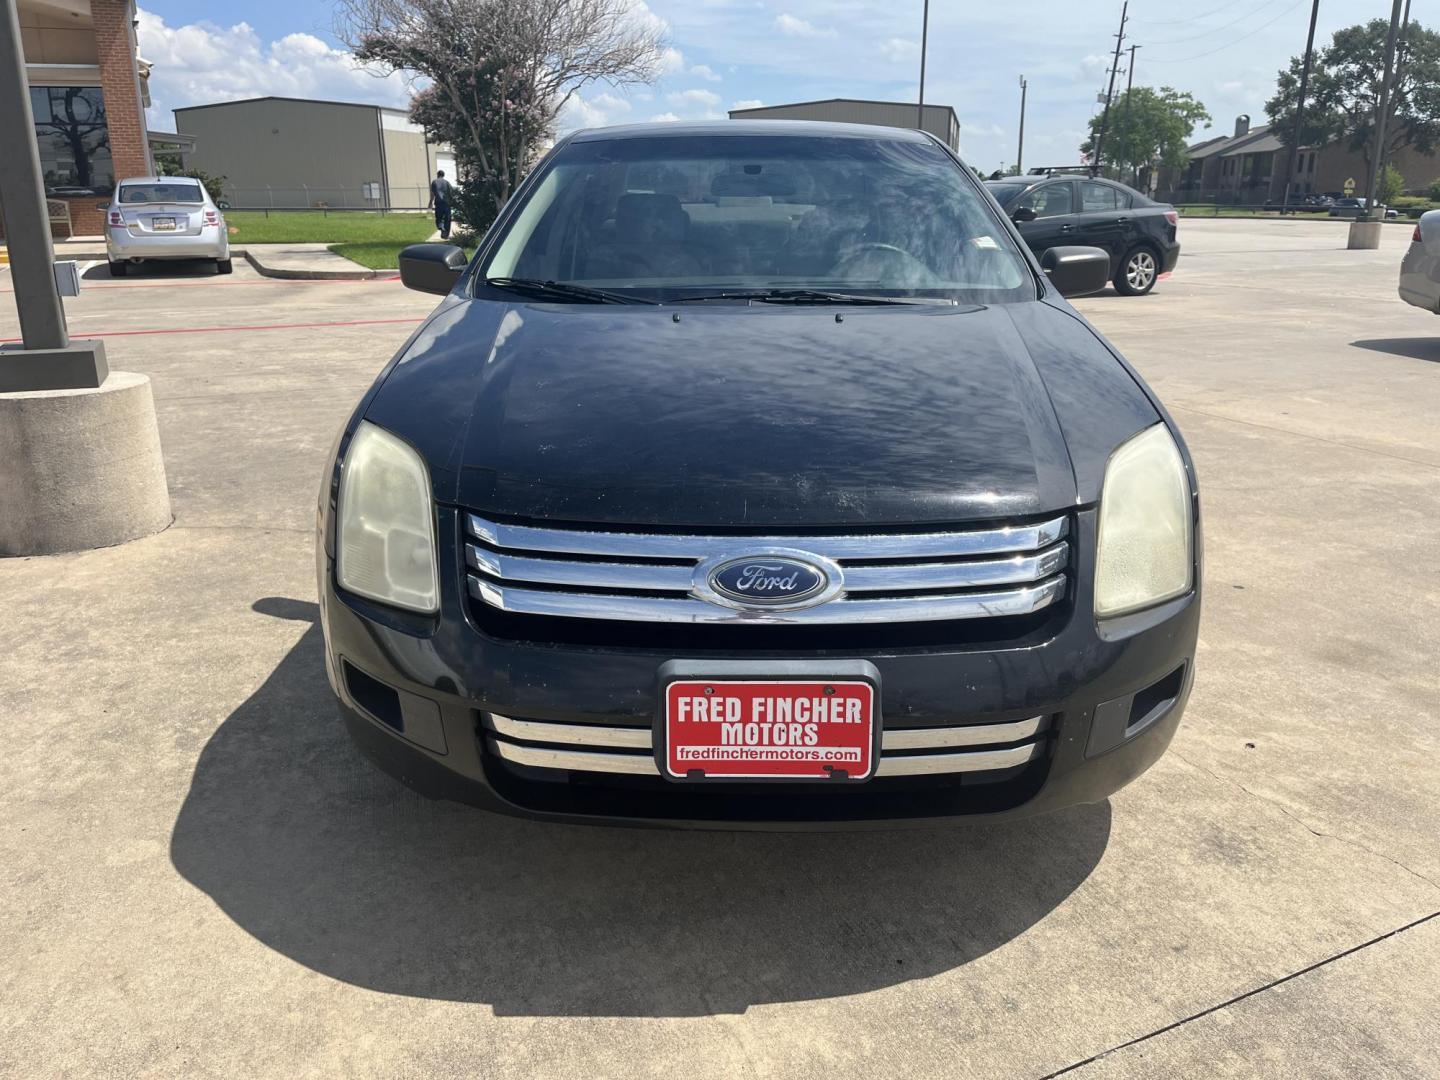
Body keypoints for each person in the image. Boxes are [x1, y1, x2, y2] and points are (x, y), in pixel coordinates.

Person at [428, 169, 453, 239]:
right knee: (447, 219)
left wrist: (430, 202)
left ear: (438, 175)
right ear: (443, 175)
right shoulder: (447, 182)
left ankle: (441, 227)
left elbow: (432, 194)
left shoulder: (434, 182)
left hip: (438, 203)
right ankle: (446, 235)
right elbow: (451, 193)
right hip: (447, 203)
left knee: (439, 218)